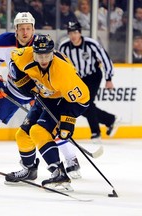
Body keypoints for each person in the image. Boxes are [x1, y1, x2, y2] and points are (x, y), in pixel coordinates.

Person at [0, 12, 82, 179]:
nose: (25, 32)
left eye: (28, 28)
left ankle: (71, 160)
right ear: (16, 29)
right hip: (13, 90)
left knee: (47, 129)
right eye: (22, 28)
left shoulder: (41, 44)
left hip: (40, 94)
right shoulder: (4, 42)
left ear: (33, 29)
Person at [5, 34, 89, 189]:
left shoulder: (63, 73)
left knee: (38, 132)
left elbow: (83, 99)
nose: (43, 60)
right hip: (45, 95)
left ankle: (59, 173)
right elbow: (13, 60)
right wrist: (23, 82)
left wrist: (68, 122)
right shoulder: (25, 55)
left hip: (65, 101)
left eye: (47, 55)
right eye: (39, 55)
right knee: (22, 135)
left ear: (52, 53)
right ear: (33, 52)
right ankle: (29, 170)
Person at [59, 21, 118, 141]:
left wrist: (109, 78)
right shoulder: (64, 47)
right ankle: (110, 119)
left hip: (93, 76)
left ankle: (95, 132)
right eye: (71, 33)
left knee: (87, 103)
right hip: (77, 79)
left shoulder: (91, 44)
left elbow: (105, 59)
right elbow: (60, 65)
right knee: (80, 105)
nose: (73, 35)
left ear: (80, 32)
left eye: (75, 32)